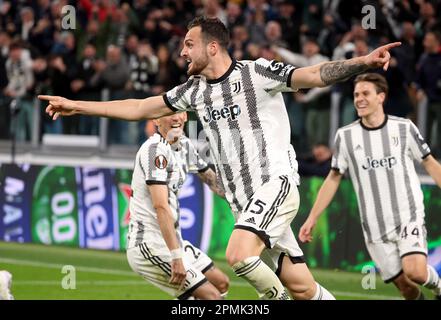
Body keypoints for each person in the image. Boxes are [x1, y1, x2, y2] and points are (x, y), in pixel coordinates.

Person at [39, 17, 400, 300]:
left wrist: (362, 62)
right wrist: (77, 106)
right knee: (304, 288)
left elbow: (314, 74)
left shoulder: (256, 73)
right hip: (247, 205)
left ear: (212, 47)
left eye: (188, 44)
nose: (182, 52)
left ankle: (270, 298)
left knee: (240, 255)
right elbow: (137, 107)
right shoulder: (193, 92)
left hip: (276, 184)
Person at [299, 73, 441, 300]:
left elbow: (430, 163)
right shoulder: (345, 136)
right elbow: (333, 178)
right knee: (406, 288)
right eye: (356, 94)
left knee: (415, 271)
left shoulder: (404, 128)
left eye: (365, 93)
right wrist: (312, 217)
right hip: (374, 227)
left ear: (381, 97)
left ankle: (439, 288)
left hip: (408, 215)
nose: (359, 99)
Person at [126, 111, 229, 300]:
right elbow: (161, 207)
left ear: (186, 117)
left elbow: (210, 178)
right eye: (168, 113)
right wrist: (176, 256)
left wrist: (238, 202)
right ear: (156, 120)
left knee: (221, 282)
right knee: (212, 298)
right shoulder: (154, 151)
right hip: (149, 244)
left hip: (173, 241)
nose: (176, 117)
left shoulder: (184, 145)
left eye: (180, 112)